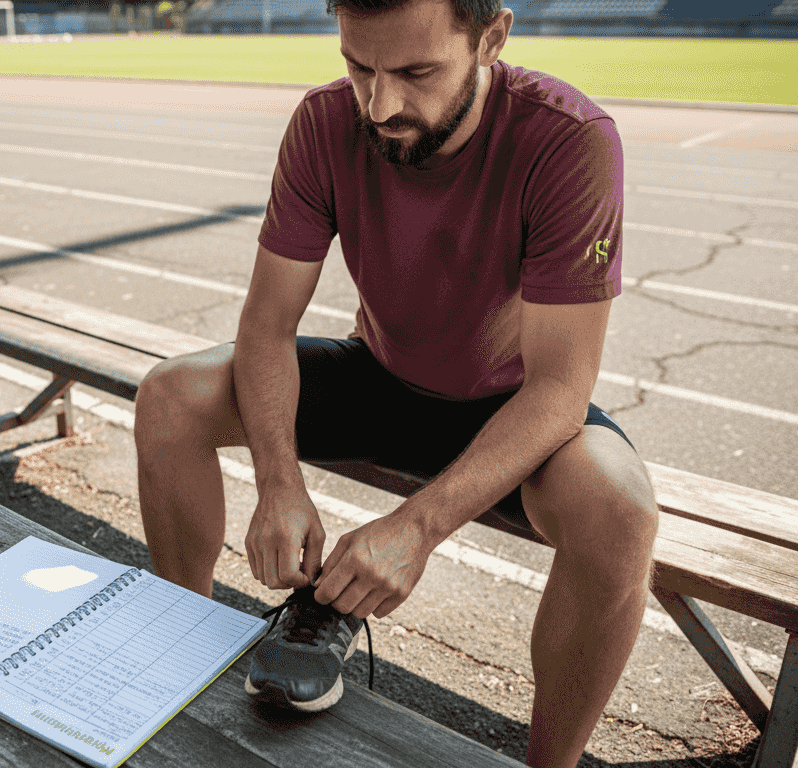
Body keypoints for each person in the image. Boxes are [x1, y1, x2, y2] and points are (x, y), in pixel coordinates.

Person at [133, 1, 660, 765]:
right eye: (359, 67)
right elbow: (267, 325)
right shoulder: (323, 123)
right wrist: (277, 483)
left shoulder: (568, 141)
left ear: (492, 38)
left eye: (417, 73)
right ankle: (180, 663)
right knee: (170, 396)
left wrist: (415, 530)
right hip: (379, 374)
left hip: (510, 406)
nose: (380, 106)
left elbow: (558, 392)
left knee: (622, 516)